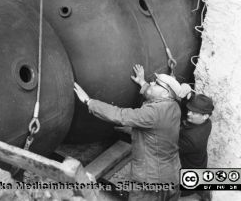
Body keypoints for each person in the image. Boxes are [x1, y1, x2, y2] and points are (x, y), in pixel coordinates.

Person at [73, 64, 192, 201]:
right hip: (172, 175)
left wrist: (89, 102)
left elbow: (120, 115)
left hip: (151, 182)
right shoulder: (174, 106)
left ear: (166, 93)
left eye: (157, 83)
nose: (152, 83)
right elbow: (155, 123)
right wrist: (142, 82)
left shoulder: (153, 112)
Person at [179, 94, 214, 201]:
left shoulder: (194, 140)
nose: (189, 113)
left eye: (194, 112)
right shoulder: (207, 123)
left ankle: (199, 195)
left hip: (187, 171)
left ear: (205, 116)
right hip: (199, 163)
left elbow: (169, 145)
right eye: (189, 110)